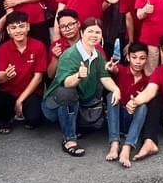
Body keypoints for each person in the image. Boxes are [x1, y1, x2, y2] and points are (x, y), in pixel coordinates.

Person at [42, 18, 121, 157]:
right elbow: (66, 83)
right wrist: (78, 75)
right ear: (82, 32)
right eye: (90, 31)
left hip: (81, 103)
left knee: (111, 94)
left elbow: (104, 77)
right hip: (55, 105)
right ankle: (69, 140)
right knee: (67, 93)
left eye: (97, 32)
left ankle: (113, 142)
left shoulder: (97, 55)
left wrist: (116, 89)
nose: (94, 35)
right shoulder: (69, 55)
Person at [0, 11, 46, 134]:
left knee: (34, 119)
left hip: (31, 92)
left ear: (28, 27)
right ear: (8, 31)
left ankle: (21, 111)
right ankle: (10, 116)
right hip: (9, 92)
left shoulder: (38, 46)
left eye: (21, 26)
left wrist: (20, 100)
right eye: (13, 28)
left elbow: (38, 78)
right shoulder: (2, 49)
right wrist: (5, 76)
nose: (18, 31)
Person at [104, 42, 150, 168]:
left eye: (142, 58)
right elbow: (114, 69)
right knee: (111, 95)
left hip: (133, 120)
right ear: (128, 57)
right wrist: (110, 68)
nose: (138, 62)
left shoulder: (148, 80)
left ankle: (127, 147)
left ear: (146, 59)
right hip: (117, 118)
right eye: (134, 57)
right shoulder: (122, 70)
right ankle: (114, 144)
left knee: (143, 106)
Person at [47, 9, 81, 80]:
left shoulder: (88, 41)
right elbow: (50, 75)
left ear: (78, 24)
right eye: (63, 27)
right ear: (59, 29)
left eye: (70, 24)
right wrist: (55, 58)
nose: (67, 29)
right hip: (65, 82)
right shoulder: (56, 45)